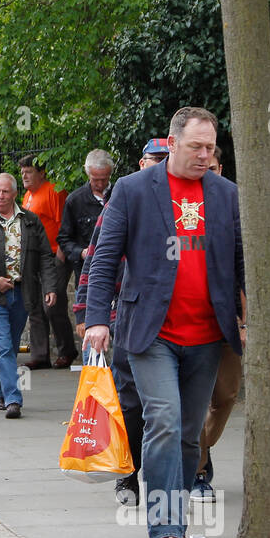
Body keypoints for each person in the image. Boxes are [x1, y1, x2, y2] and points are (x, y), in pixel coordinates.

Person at [84, 106, 244, 538]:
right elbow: (105, 257)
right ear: (171, 144)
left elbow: (240, 261)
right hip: (151, 333)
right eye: (196, 146)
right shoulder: (133, 190)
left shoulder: (225, 194)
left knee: (190, 435)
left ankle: (177, 527)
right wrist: (96, 318)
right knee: (165, 421)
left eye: (210, 148)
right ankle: (165, 531)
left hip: (207, 334)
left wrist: (252, 319)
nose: (204, 155)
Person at [74, 138, 169, 506]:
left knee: (170, 411)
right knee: (129, 403)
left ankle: (187, 476)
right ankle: (127, 474)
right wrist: (89, 314)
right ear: (141, 163)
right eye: (152, 160)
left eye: (164, 159)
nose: (158, 166)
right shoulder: (126, 198)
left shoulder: (186, 204)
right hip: (127, 318)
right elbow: (100, 259)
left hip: (176, 322)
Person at [0, 173, 58, 418]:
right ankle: (13, 399)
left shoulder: (30, 221)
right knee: (6, 347)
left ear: (14, 193)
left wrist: (50, 287)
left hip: (23, 292)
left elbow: (44, 258)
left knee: (9, 346)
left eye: (5, 192)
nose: (0, 196)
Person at [192, 144, 244, 503]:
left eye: (211, 167)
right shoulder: (182, 205)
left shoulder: (232, 201)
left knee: (226, 395)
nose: (205, 173)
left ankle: (201, 447)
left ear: (221, 168)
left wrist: (245, 317)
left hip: (227, 319)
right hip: (190, 322)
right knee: (192, 401)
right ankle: (197, 467)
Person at [19, 154, 76, 369]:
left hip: (54, 255)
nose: (24, 175)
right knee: (34, 305)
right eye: (22, 172)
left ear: (41, 172)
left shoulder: (54, 191)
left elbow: (65, 225)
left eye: (29, 171)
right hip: (33, 257)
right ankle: (41, 355)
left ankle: (67, 350)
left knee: (52, 304)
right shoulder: (27, 196)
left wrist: (61, 255)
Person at [58, 149, 113, 276]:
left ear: (110, 173)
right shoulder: (74, 201)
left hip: (117, 272)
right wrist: (81, 252)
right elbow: (64, 238)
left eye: (104, 179)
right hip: (87, 272)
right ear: (87, 174)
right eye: (95, 179)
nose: (100, 184)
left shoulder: (120, 195)